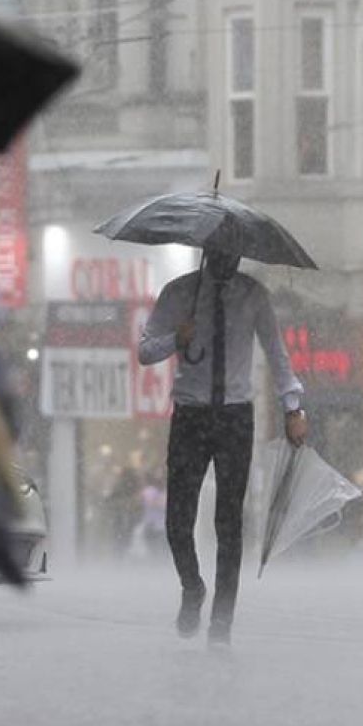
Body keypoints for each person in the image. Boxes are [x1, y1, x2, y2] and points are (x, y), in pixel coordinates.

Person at [139, 250, 306, 646]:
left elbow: (277, 355)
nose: (228, 256)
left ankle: (222, 624)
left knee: (229, 526)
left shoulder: (253, 295)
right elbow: (145, 351)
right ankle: (192, 587)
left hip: (234, 418)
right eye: (221, 246)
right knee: (178, 522)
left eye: (235, 248)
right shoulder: (179, 293)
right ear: (206, 247)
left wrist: (293, 406)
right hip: (191, 415)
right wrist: (174, 340)